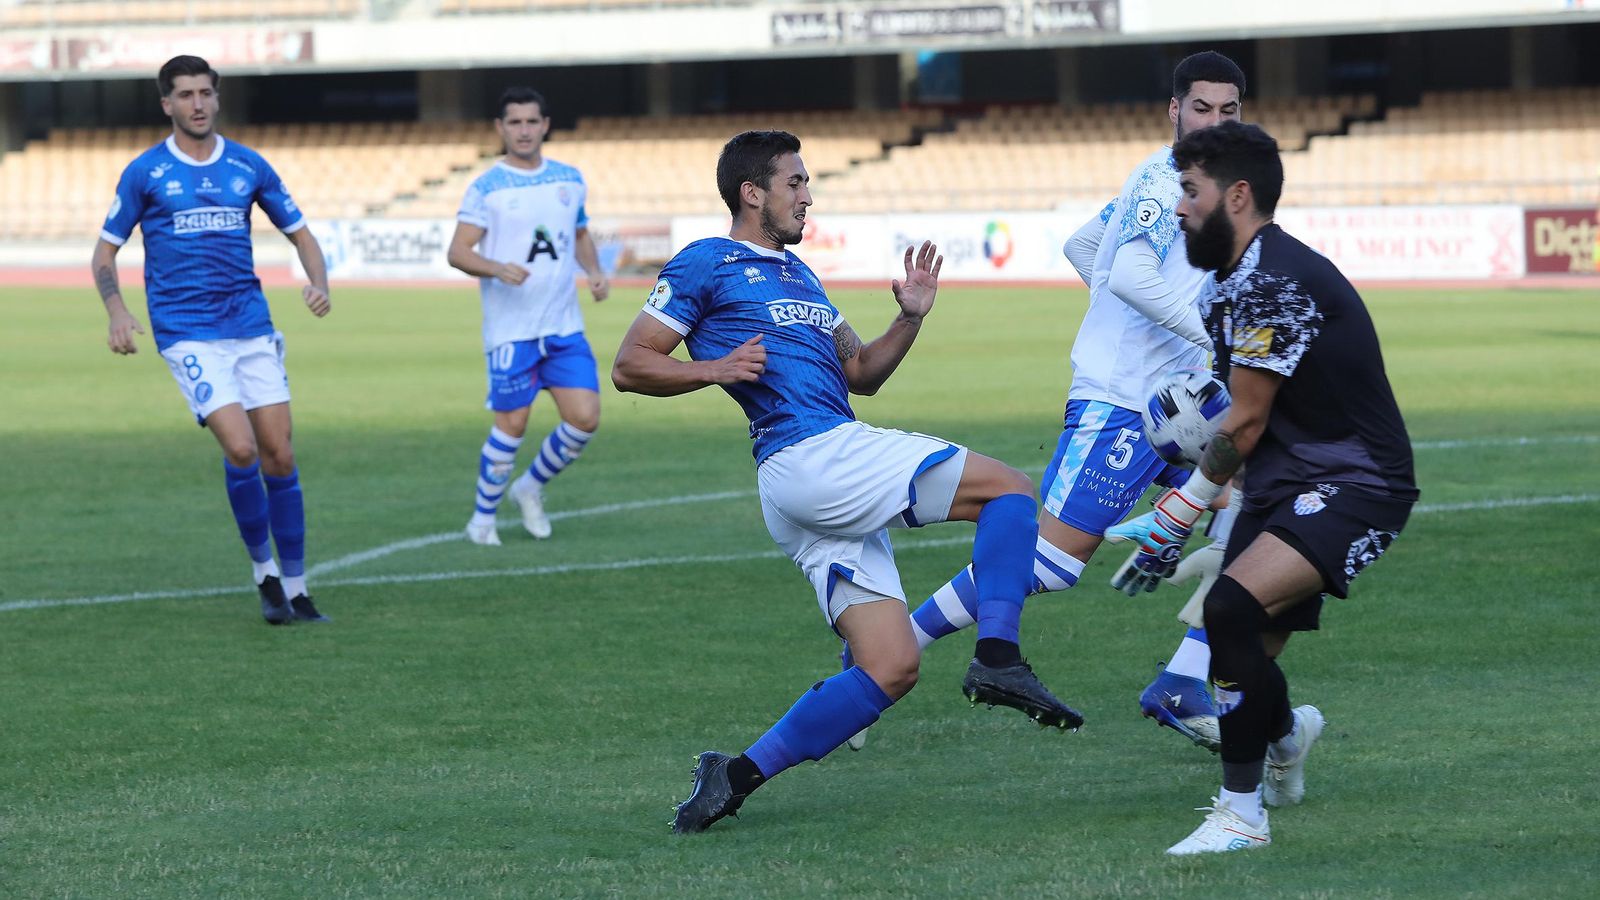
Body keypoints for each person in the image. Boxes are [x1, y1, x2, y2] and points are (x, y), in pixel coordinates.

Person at [612, 130, 1079, 834]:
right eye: (795, 183)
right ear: (752, 193)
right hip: (813, 455)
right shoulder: (708, 262)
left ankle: (730, 780)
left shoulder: (802, 278)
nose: (807, 195)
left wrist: (909, 318)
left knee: (890, 667)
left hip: (807, 483)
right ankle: (998, 655)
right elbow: (629, 364)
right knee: (1010, 489)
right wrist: (712, 369)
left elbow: (861, 373)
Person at [877, 51, 1248, 752]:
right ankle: (890, 649)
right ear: (1174, 112)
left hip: (1178, 402)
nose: (1215, 121)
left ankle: (1187, 678)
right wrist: (1205, 342)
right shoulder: (1163, 175)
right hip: (1123, 402)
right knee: (1053, 560)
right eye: (1202, 108)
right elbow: (1133, 274)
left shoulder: (1213, 183)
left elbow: (1088, 245)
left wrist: (1144, 331)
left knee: (1253, 509)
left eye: (1228, 111)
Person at [1127, 120, 1416, 854]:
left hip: (1357, 482)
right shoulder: (1233, 283)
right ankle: (1288, 736)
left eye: (1191, 191)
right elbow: (1253, 419)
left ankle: (1240, 816)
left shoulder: (1272, 280)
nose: (1182, 207)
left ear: (1239, 194)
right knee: (1244, 641)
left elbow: (1247, 421)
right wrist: (1219, 503)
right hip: (1286, 482)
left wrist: (1184, 507)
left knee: (1228, 611)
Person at [92, 55, 332, 626]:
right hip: (187, 332)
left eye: (206, 93)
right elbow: (105, 252)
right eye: (185, 95)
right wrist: (117, 311)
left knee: (280, 454)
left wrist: (317, 282)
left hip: (250, 326)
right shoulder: (145, 173)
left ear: (217, 99)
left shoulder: (248, 166)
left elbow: (303, 236)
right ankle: (264, 575)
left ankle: (297, 588)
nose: (197, 103)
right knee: (242, 448)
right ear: (166, 104)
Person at [447, 87, 610, 546]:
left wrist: (594, 270)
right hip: (511, 332)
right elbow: (458, 251)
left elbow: (578, 232)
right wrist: (496, 267)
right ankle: (481, 520)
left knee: (585, 418)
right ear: (500, 129)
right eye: (514, 122)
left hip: (563, 327)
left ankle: (530, 486)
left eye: (531, 121)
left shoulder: (569, 179)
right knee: (512, 426)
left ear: (545, 125)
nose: (523, 130)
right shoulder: (486, 188)